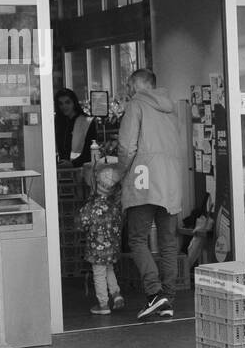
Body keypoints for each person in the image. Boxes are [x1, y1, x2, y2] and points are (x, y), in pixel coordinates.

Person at [116, 69, 185, 320]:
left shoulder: (136, 105)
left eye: (129, 83)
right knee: (168, 243)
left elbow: (126, 147)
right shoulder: (171, 109)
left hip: (144, 180)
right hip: (170, 182)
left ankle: (155, 294)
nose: (127, 88)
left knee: (137, 239)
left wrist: (117, 173)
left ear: (138, 84)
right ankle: (169, 299)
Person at [78, 164, 125, 315]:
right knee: (109, 269)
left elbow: (82, 223)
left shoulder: (91, 206)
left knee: (99, 274)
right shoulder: (114, 206)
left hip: (97, 249)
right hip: (112, 247)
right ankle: (116, 294)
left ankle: (103, 304)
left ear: (97, 184)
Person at [54, 88, 97, 167]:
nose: (64, 106)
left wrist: (73, 163)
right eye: (61, 103)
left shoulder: (87, 122)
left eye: (67, 102)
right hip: (61, 170)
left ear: (74, 103)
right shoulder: (58, 122)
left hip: (80, 170)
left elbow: (90, 151)